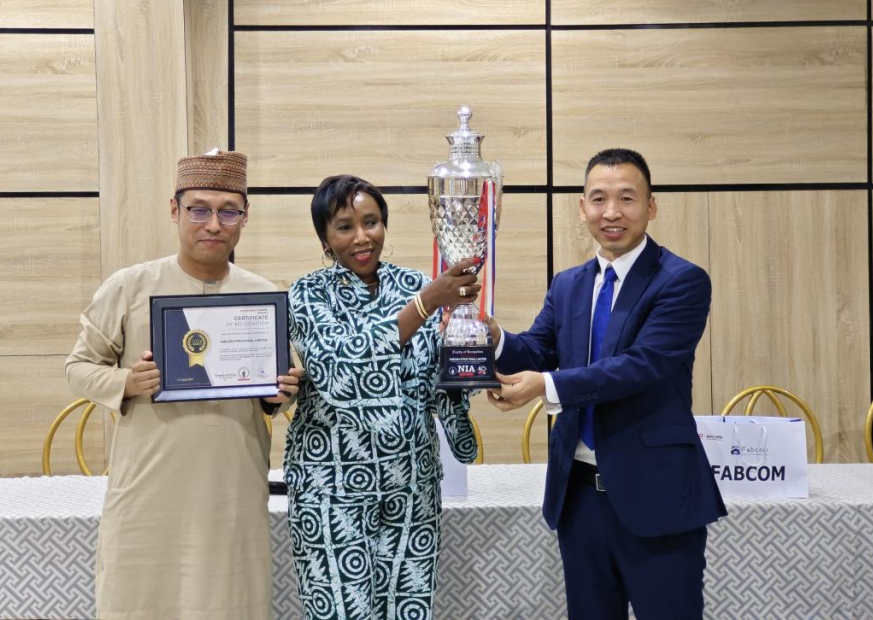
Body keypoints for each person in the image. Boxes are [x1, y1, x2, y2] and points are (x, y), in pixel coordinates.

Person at [488, 149, 726, 619]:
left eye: (626, 198)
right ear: (582, 208)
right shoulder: (568, 284)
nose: (611, 212)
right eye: (598, 199)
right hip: (578, 496)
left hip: (657, 494)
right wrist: (490, 336)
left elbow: (640, 366)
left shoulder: (681, 281)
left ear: (650, 206)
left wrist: (544, 386)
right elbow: (537, 350)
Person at [65, 148, 302, 620]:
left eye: (228, 211)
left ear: (245, 217)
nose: (213, 224)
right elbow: (78, 367)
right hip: (148, 489)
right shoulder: (130, 287)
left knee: (229, 604)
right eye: (199, 210)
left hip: (231, 489)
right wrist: (126, 381)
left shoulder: (264, 296)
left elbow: (282, 386)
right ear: (175, 210)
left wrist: (280, 393)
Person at [285, 174, 479, 619]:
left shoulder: (416, 283)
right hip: (332, 487)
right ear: (325, 237)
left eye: (371, 222)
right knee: (341, 612)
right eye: (344, 226)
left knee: (408, 610)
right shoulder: (308, 295)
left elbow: (434, 385)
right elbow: (339, 371)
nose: (361, 237)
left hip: (412, 486)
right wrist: (425, 305)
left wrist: (464, 356)